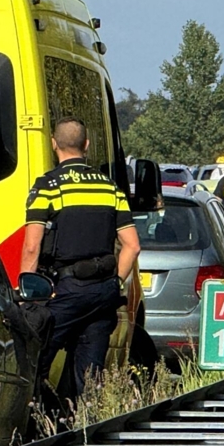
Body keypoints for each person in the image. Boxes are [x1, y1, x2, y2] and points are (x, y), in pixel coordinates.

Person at [21, 117, 141, 405]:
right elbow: (132, 246)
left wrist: (27, 293)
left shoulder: (49, 186)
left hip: (66, 290)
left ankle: (35, 425)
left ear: (54, 144)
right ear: (86, 145)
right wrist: (114, 283)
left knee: (32, 361)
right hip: (103, 292)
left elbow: (32, 246)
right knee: (89, 379)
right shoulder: (110, 188)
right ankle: (83, 428)